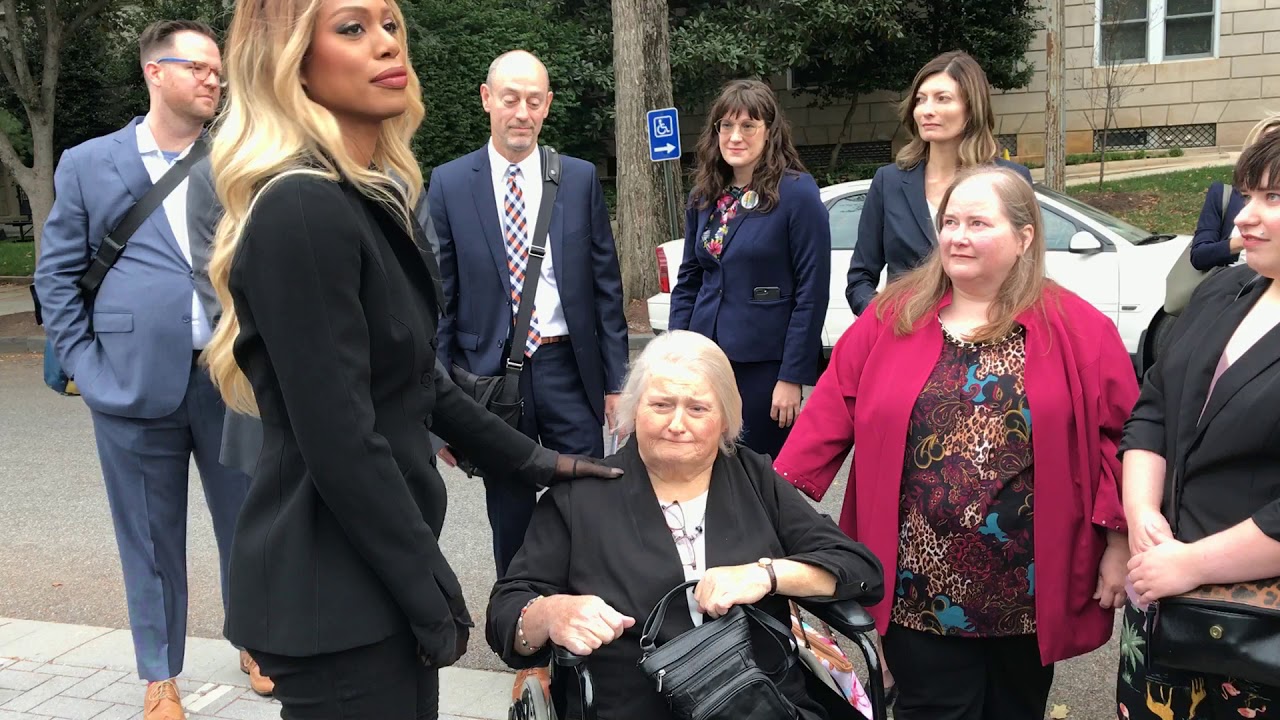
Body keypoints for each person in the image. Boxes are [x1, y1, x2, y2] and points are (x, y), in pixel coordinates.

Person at [201, 1, 620, 717]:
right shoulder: (302, 209)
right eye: (353, 28)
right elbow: (341, 440)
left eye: (391, 25)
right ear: (292, 60)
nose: (386, 45)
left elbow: (418, 380)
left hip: (367, 575)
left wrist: (543, 463)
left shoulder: (367, 196)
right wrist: (430, 587)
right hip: (332, 589)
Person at [775, 166, 1138, 720]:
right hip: (918, 586)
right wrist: (765, 503)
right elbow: (831, 409)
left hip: (1029, 586)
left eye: (977, 223)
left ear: (1024, 237)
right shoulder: (893, 316)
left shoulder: (1078, 328)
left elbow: (1120, 437)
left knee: (1015, 710)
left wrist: (1117, 542)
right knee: (932, 710)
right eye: (949, 222)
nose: (958, 236)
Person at [487, 330, 883, 720]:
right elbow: (506, 610)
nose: (677, 424)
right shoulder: (579, 496)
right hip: (633, 707)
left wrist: (766, 576)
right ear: (633, 409)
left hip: (759, 701)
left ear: (725, 418)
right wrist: (551, 612)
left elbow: (858, 568)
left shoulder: (754, 477)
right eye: (661, 405)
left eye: (697, 408)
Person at [33, 20, 251, 720]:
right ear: (156, 72)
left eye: (218, 70)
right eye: (199, 68)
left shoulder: (238, 156)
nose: (213, 79)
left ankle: (256, 640)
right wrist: (91, 370)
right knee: (150, 540)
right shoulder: (89, 162)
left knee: (248, 523)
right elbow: (57, 278)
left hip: (230, 379)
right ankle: (160, 675)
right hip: (128, 385)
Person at [427, 50, 629, 580]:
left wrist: (616, 384)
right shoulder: (448, 183)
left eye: (533, 101)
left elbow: (606, 287)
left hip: (569, 369)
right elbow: (440, 300)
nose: (522, 112)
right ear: (487, 99)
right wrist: (439, 414)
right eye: (510, 98)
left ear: (547, 106)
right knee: (510, 513)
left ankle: (586, 631)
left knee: (586, 501)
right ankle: (528, 642)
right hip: (490, 382)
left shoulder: (580, 178)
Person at [1116, 128, 1280, 720]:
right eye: (1248, 195)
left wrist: (1194, 563)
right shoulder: (1225, 290)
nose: (1246, 219)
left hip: (1257, 632)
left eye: (1274, 200)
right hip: (1164, 610)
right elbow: (1154, 407)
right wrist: (1142, 515)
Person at [667, 79, 830, 459]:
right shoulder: (705, 195)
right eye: (726, 126)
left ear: (769, 132)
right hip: (705, 358)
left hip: (764, 366)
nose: (735, 136)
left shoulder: (797, 194)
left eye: (748, 126)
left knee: (757, 473)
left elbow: (811, 290)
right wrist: (674, 351)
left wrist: (792, 376)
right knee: (705, 464)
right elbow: (690, 278)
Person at [845, 51, 1033, 316]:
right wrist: (884, 321)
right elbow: (860, 281)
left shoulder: (1011, 180)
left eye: (942, 99)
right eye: (921, 100)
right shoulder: (889, 182)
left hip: (986, 338)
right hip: (907, 340)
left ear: (971, 108)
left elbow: (1026, 274)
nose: (927, 110)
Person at [1188, 115, 1280, 272]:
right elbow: (1199, 256)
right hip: (1233, 286)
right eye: (1246, 197)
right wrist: (1247, 240)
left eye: (1273, 196)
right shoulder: (1223, 194)